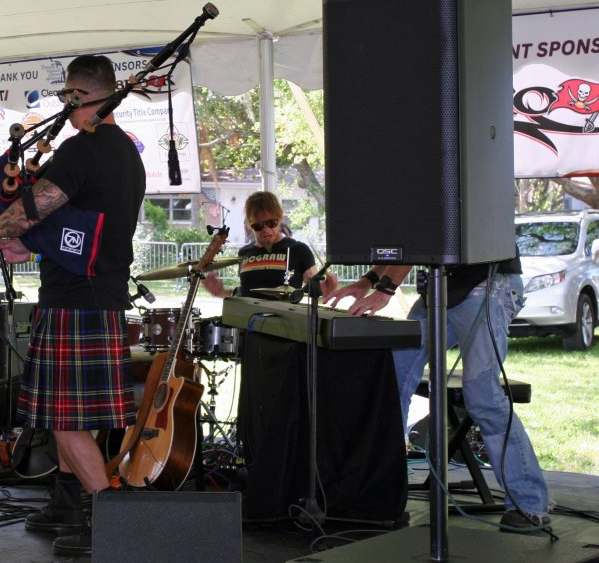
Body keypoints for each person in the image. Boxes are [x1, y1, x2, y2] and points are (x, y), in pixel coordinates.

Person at [0, 55, 145, 557]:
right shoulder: (128, 153)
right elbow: (83, 230)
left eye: (67, 97)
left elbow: (27, 212)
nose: (63, 107)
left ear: (81, 95)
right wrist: (34, 247)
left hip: (74, 303)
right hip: (104, 295)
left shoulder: (81, 150)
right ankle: (68, 504)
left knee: (67, 421)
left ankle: (110, 519)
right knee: (76, 417)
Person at [324, 261, 552, 534]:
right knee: (392, 378)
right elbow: (403, 246)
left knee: (484, 398)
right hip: (440, 286)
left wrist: (385, 288)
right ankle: (381, 495)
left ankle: (530, 504)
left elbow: (413, 234)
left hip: (487, 283)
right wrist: (368, 280)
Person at [203, 191, 336, 299]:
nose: (266, 229)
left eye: (271, 223)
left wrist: (325, 289)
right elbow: (245, 294)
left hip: (284, 326)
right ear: (250, 225)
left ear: (280, 218)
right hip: (248, 325)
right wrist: (220, 292)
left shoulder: (298, 249)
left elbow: (314, 284)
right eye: (258, 226)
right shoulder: (244, 254)